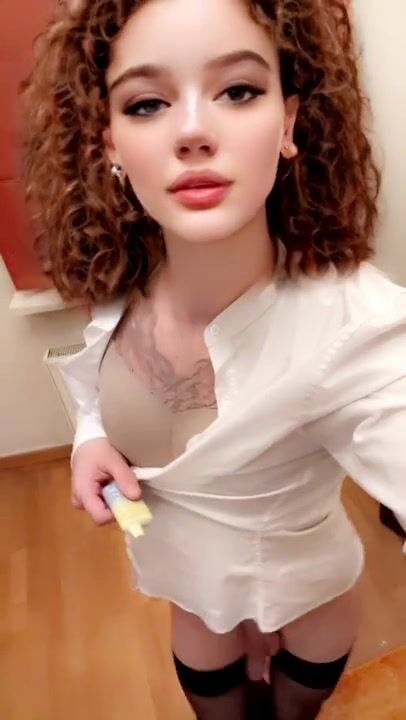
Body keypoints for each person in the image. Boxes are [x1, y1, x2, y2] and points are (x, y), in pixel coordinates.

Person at [21, 0, 406, 718]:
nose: (193, 131)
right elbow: (94, 389)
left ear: (288, 122)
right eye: (147, 103)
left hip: (310, 597)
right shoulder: (119, 274)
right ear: (110, 141)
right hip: (189, 592)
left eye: (238, 90)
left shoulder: (355, 324)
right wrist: (91, 440)